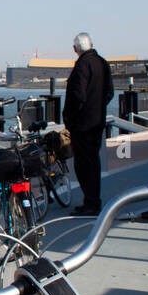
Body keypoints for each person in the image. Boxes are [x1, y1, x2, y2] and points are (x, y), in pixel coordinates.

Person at [62, 31, 113, 215]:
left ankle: (91, 203)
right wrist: (97, 107)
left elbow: (77, 96)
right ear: (91, 45)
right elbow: (110, 92)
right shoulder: (102, 63)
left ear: (75, 49)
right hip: (97, 121)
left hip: (82, 124)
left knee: (83, 164)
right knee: (93, 161)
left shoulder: (82, 65)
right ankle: (94, 200)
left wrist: (69, 118)